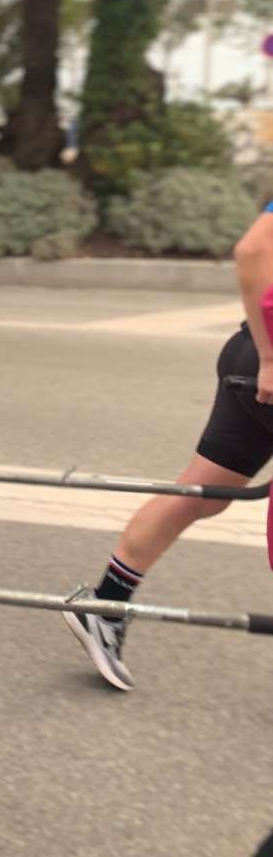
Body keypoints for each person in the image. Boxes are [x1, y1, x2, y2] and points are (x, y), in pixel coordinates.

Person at [63, 205, 273, 691]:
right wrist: (269, 356)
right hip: (263, 364)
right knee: (202, 494)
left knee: (203, 493)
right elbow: (251, 250)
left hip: (248, 358)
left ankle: (106, 606)